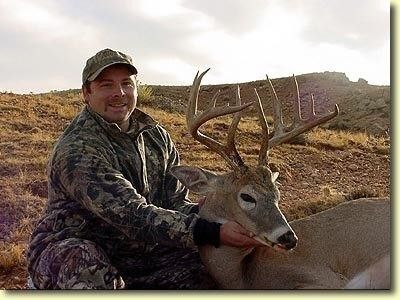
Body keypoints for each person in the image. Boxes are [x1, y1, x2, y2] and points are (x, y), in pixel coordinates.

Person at [27, 48, 262, 289]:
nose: (119, 93)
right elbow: (131, 215)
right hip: (79, 248)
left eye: (126, 84)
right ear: (86, 93)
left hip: (144, 254)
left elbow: (175, 202)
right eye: (107, 85)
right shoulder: (77, 149)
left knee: (216, 269)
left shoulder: (156, 136)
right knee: (86, 265)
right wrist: (211, 231)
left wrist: (208, 213)